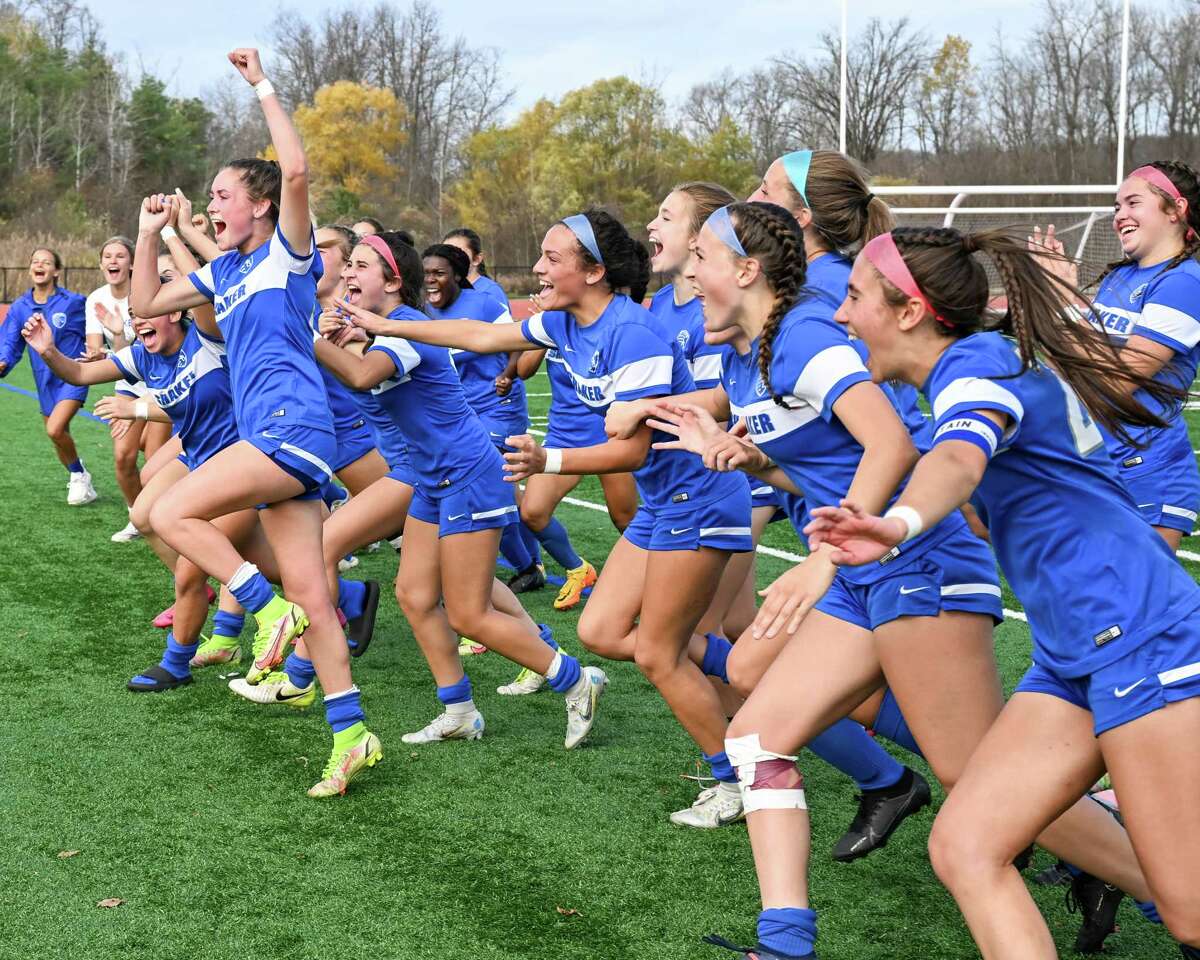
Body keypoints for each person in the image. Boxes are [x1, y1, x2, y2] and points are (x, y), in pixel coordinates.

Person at [772, 225, 1194, 960]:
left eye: (853, 298)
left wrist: (898, 521)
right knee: (966, 845)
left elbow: (959, 460)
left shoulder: (976, 370)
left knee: (1191, 916)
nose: (840, 317)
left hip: (1140, 637)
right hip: (1073, 653)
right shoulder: (972, 368)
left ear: (909, 312)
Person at [333, 209, 757, 829]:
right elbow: (480, 339)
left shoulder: (632, 334)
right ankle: (741, 676)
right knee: (603, 633)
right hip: (667, 501)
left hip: (700, 499)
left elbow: (634, 449)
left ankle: (733, 776)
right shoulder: (561, 322)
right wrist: (376, 322)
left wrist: (548, 457)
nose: (537, 268)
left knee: (660, 655)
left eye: (552, 258)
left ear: (593, 270)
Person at [129, 47, 379, 799]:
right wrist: (147, 232)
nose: (211, 205)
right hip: (276, 440)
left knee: (168, 508)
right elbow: (146, 305)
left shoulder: (284, 252)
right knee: (313, 593)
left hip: (290, 430)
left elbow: (297, 172)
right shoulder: (224, 272)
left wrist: (262, 86)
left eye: (222, 195)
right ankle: (352, 734)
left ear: (260, 205)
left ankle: (264, 613)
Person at [315, 230, 608, 749]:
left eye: (361, 265)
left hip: (468, 473)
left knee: (468, 611)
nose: (349, 274)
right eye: (349, 265)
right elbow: (358, 362)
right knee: (414, 594)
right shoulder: (381, 331)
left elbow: (363, 377)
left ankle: (576, 679)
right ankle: (459, 709)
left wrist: (307, 338)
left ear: (392, 280)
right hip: (433, 479)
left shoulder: (406, 328)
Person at [20, 292, 255, 693]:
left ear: (178, 311)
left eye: (147, 311)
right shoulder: (141, 356)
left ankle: (177, 661)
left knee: (199, 565)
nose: (138, 321)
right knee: (145, 514)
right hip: (199, 455)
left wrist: (169, 232)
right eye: (133, 316)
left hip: (243, 460)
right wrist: (48, 350)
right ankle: (347, 600)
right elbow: (78, 375)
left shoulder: (207, 338)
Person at [1030, 159, 1200, 552]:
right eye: (1116, 207)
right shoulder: (1121, 277)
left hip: (1148, 474)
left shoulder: (1184, 284)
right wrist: (1055, 294)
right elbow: (1066, 365)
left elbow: (1117, 380)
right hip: (1096, 463)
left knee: (1142, 609)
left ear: (1176, 210)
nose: (1120, 215)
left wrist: (1069, 302)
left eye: (1133, 203)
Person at [85, 236, 172, 542]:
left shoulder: (147, 292)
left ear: (132, 263)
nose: (113, 261)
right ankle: (136, 515)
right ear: (101, 264)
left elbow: (152, 348)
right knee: (123, 457)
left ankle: (164, 515)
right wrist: (104, 348)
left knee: (154, 458)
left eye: (120, 255)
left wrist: (120, 335)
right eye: (107, 256)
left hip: (162, 382)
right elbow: (104, 351)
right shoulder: (95, 299)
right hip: (129, 382)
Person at [0, 247, 96, 505]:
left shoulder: (74, 302)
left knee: (54, 429)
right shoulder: (20, 307)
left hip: (74, 376)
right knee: (58, 437)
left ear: (56, 271)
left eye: (46, 262)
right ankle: (81, 476)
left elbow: (96, 330)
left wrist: (101, 351)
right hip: (44, 381)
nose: (39, 265)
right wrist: (3, 362)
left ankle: (78, 475)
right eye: (34, 261)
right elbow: (9, 342)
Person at [444, 227, 509, 308]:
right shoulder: (441, 293)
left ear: (477, 259)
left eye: (458, 253)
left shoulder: (491, 292)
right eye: (445, 253)